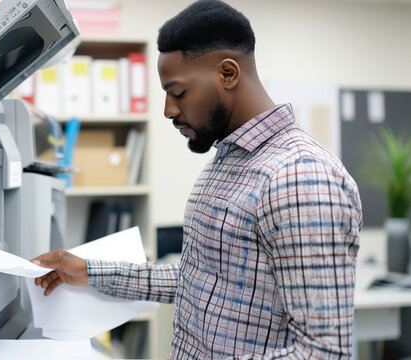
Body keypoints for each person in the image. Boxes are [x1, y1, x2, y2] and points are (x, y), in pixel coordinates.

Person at [32, 0, 363, 358]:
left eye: (178, 92)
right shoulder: (226, 163)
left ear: (227, 74)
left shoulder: (301, 177)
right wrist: (89, 271)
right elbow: (200, 281)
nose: (168, 110)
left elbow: (323, 353)